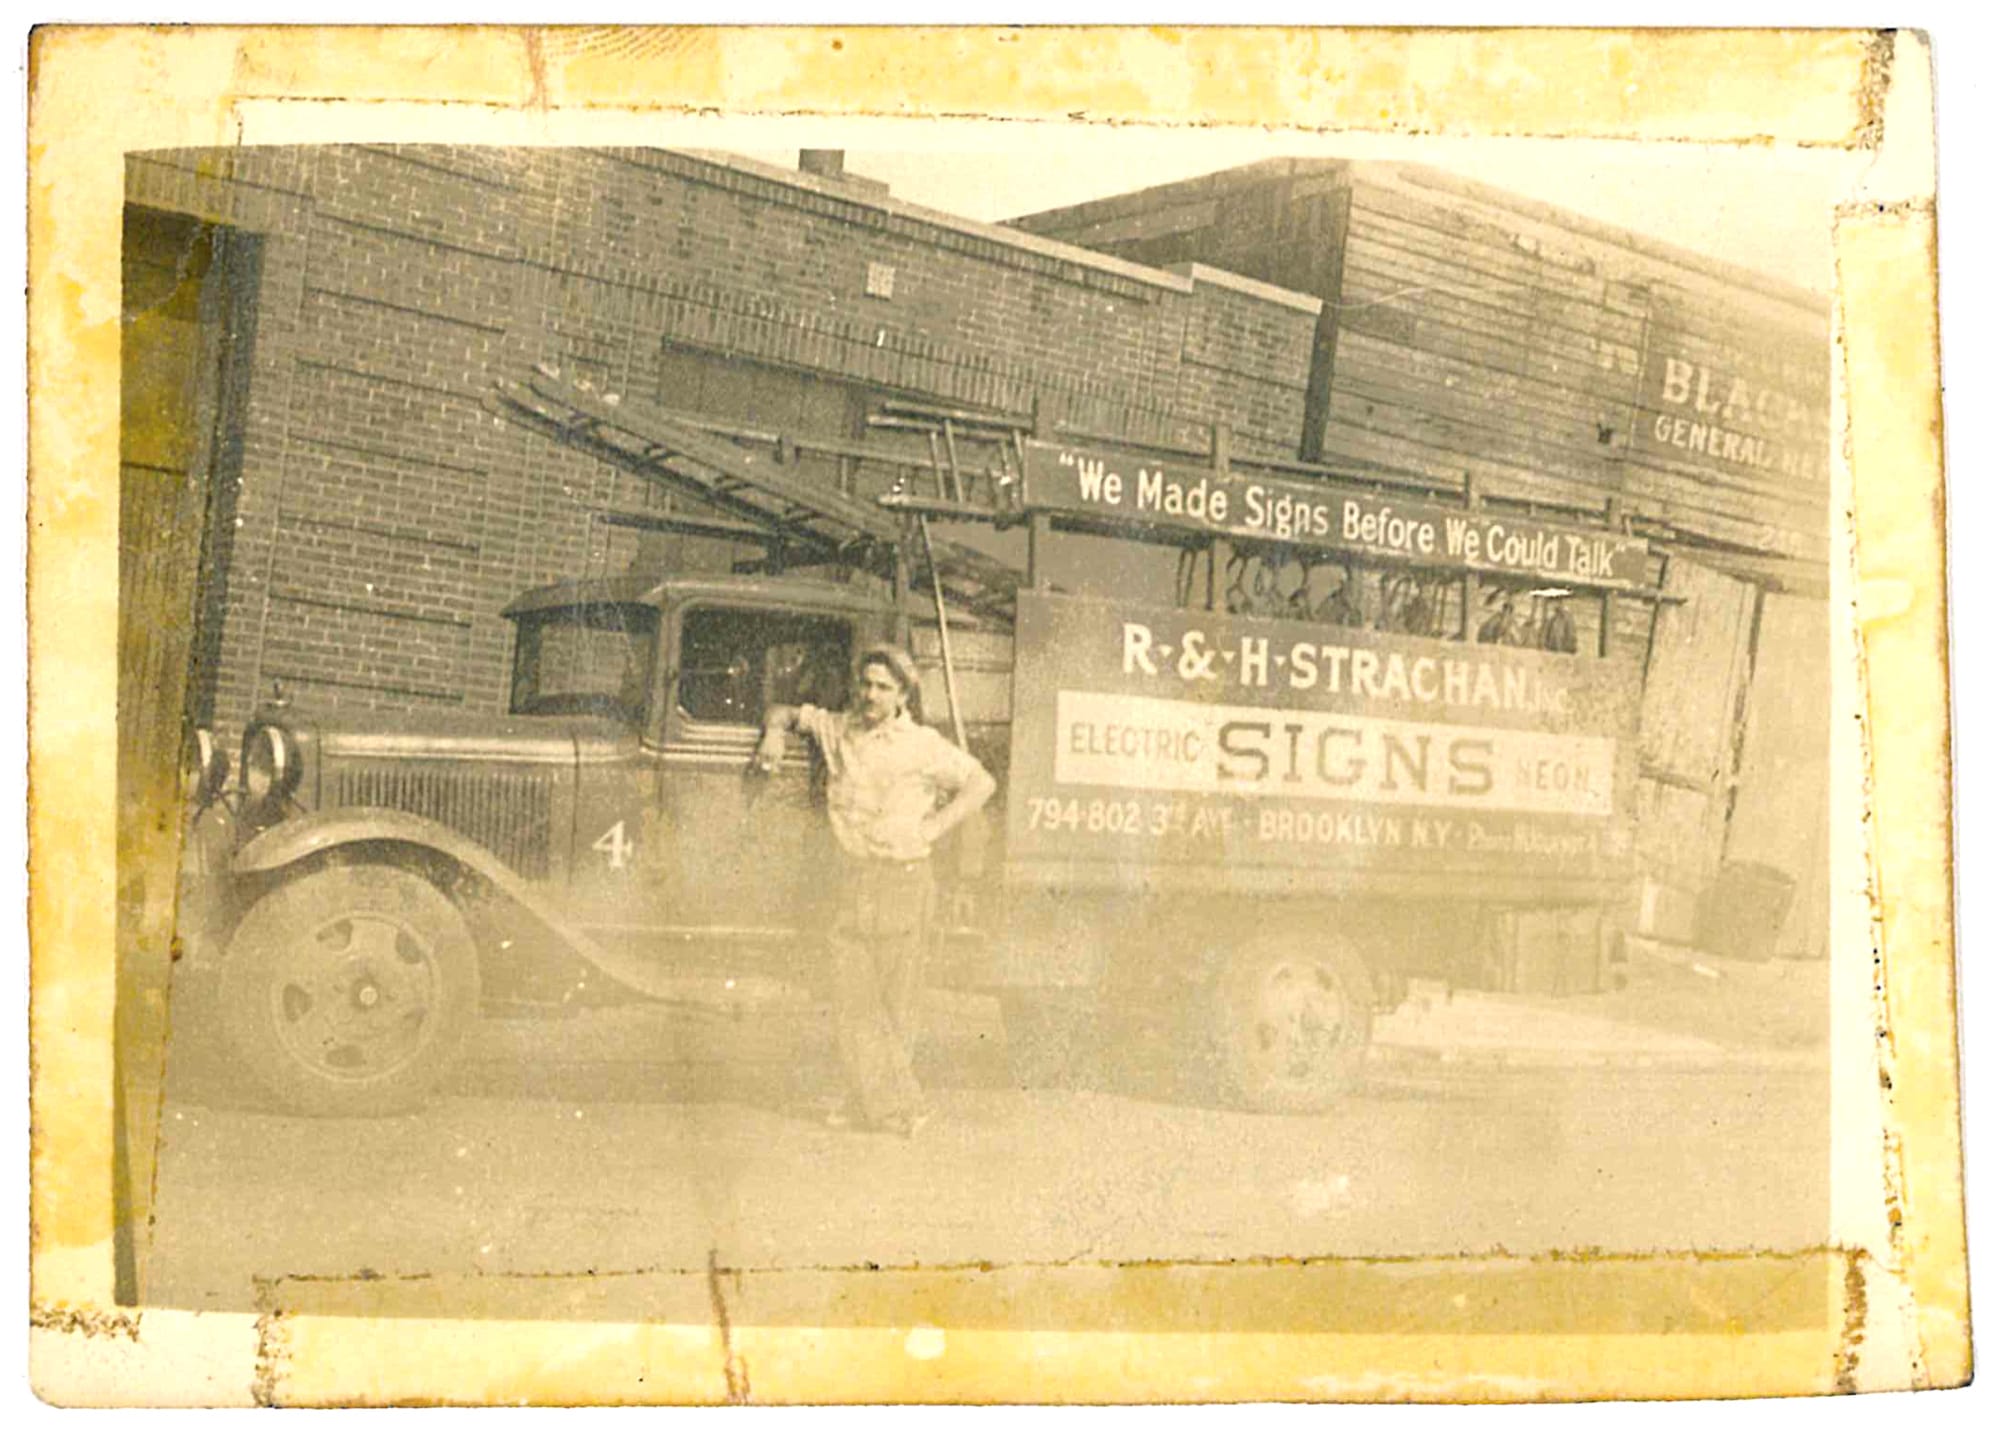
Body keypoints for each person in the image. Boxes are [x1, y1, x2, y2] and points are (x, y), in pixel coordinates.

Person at [755, 644, 995, 1138]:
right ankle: (889, 1104)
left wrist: (931, 830)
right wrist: (774, 736)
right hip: (853, 876)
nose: (871, 694)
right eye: (866, 683)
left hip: (903, 877)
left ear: (903, 694)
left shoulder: (923, 744)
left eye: (884, 687)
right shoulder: (839, 728)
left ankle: (884, 1107)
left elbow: (981, 784)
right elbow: (781, 711)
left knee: (894, 1000)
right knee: (851, 995)